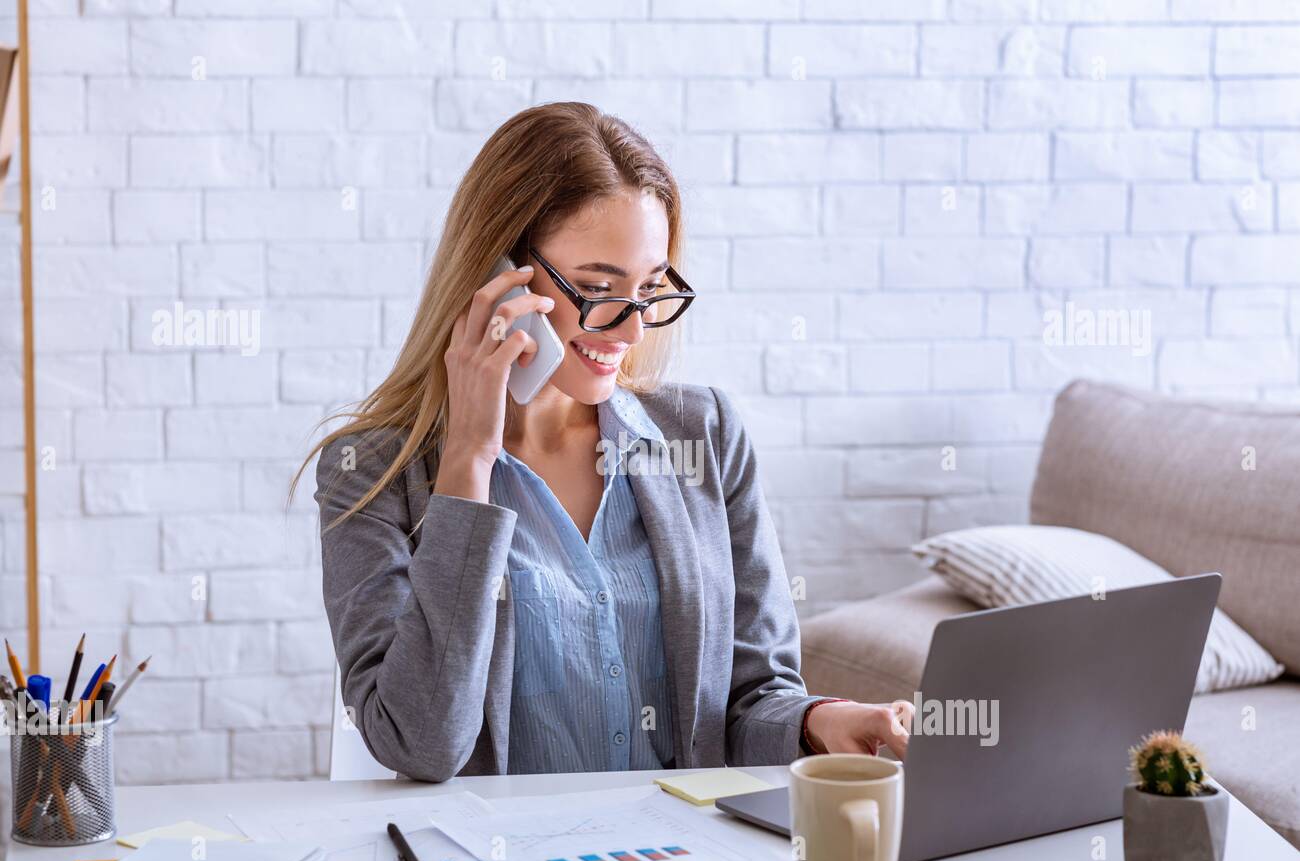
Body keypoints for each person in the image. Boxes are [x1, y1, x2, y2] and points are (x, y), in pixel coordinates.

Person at [298, 102, 913, 782]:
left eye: (649, 289)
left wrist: (816, 722)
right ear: (497, 274)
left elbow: (748, 699)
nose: (628, 331)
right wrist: (469, 462)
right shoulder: (371, 473)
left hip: (684, 856)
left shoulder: (703, 436)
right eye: (597, 288)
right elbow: (422, 743)